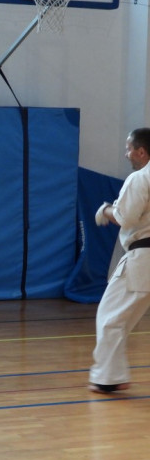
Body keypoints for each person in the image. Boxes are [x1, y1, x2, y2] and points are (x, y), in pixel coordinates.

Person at [89, 127, 150, 394]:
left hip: (143, 258)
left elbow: (127, 218)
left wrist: (106, 210)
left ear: (141, 151)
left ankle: (109, 378)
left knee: (110, 317)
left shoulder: (141, 177)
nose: (126, 154)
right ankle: (113, 374)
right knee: (121, 319)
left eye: (129, 149)